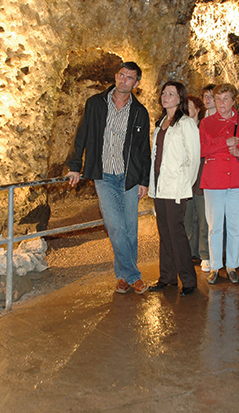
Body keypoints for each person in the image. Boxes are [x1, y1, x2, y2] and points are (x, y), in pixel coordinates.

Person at [66, 62, 151, 295]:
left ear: (137, 83)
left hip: (130, 176)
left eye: (130, 78)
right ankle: (134, 276)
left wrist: (144, 180)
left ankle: (123, 277)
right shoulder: (95, 104)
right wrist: (75, 166)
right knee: (115, 226)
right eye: (121, 75)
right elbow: (80, 135)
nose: (124, 80)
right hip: (104, 174)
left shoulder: (140, 112)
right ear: (116, 76)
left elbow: (145, 150)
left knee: (130, 228)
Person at [200, 84, 239, 284]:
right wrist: (224, 142)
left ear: (234, 100)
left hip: (238, 180)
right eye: (218, 99)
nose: (221, 103)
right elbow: (201, 149)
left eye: (226, 99)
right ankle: (216, 266)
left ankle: (232, 265)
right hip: (214, 180)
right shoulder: (206, 122)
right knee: (214, 226)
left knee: (236, 226)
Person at [148, 82, 201, 296]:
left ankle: (188, 280)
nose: (165, 96)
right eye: (164, 93)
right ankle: (167, 277)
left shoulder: (186, 123)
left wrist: (185, 185)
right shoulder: (160, 122)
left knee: (177, 233)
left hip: (177, 186)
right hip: (160, 185)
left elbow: (194, 157)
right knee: (164, 233)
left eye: (171, 93)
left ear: (180, 98)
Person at [184, 95, 211, 272]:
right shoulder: (181, 127)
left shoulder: (205, 127)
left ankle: (206, 255)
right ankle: (186, 253)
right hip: (186, 181)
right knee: (186, 220)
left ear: (198, 109)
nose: (186, 108)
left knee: (204, 220)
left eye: (190, 106)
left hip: (202, 179)